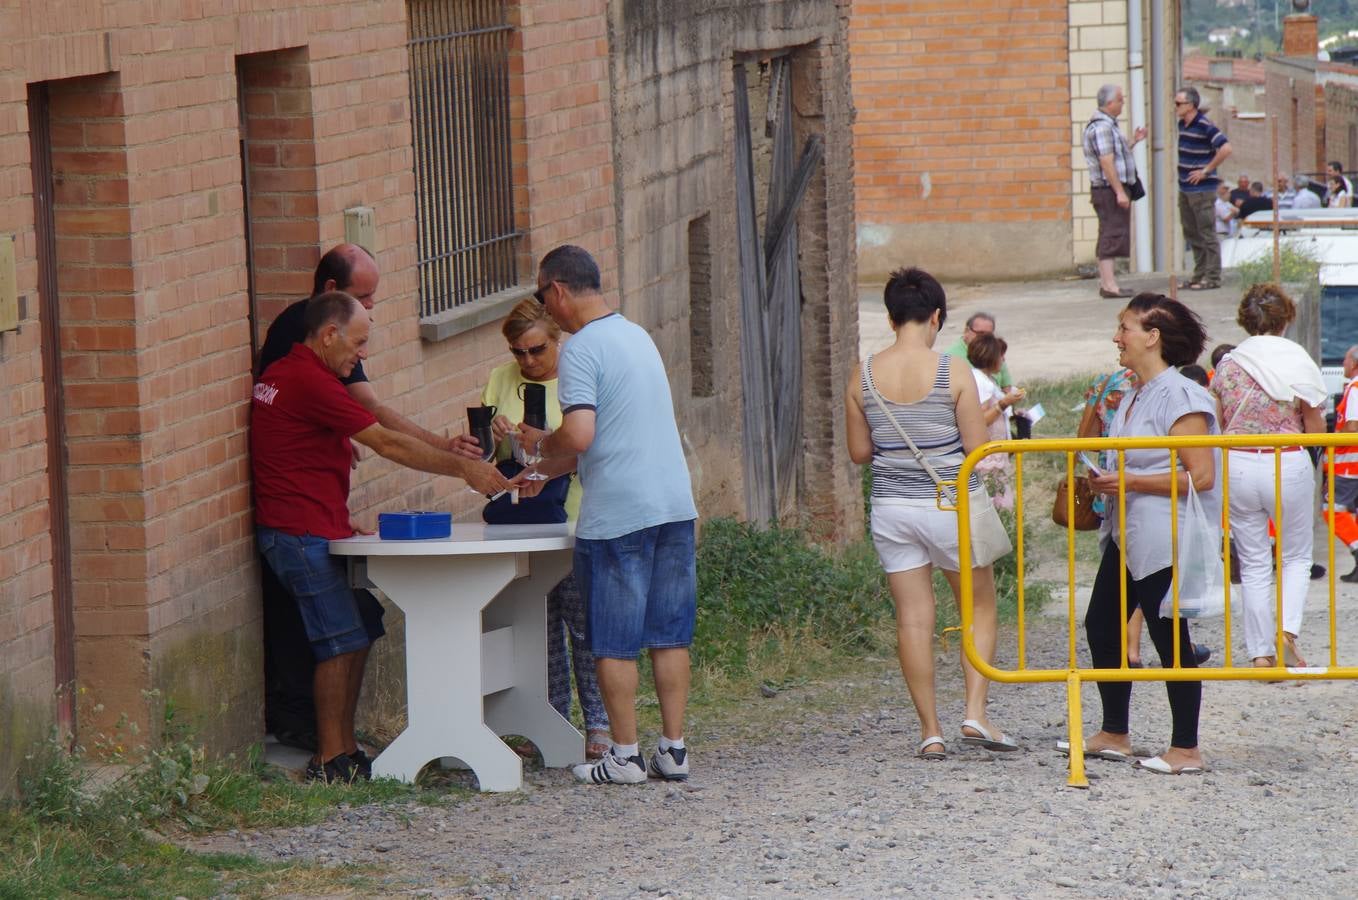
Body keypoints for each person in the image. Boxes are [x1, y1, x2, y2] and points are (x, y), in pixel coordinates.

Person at [252, 292, 512, 782]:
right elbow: (386, 441)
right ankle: (331, 761)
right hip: (297, 533)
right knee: (339, 640)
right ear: (328, 335)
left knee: (364, 622)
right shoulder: (309, 380)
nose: (362, 354)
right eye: (358, 342)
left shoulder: (292, 374)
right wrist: (463, 469)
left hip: (312, 526)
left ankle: (345, 749)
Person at [515, 245, 699, 786]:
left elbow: (580, 434)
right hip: (672, 505)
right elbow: (612, 435)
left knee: (612, 641)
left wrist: (539, 443)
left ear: (558, 291)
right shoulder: (636, 336)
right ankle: (673, 748)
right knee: (669, 634)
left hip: (619, 513)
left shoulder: (581, 348)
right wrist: (547, 470)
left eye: (542, 296)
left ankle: (623, 754)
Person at [845, 267, 1016, 762]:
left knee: (913, 620)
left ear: (891, 316)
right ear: (936, 316)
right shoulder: (952, 370)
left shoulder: (863, 375)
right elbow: (976, 449)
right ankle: (975, 713)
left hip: (892, 509)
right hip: (947, 505)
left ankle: (930, 732)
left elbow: (859, 452)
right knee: (978, 606)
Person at [1078, 292, 1216, 774]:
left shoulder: (1181, 395)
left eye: (1125, 328)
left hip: (1163, 535)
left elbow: (1200, 475)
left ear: (1152, 337)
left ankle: (1186, 748)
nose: (1117, 337)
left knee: (1168, 633)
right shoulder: (1136, 393)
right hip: (1128, 532)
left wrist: (1131, 481)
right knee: (1101, 622)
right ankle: (1115, 730)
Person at [480, 298, 610, 760]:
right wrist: (491, 440)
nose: (528, 361)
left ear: (557, 339)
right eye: (518, 352)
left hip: (575, 518)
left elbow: (591, 445)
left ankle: (599, 724)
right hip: (521, 522)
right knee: (537, 623)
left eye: (537, 350)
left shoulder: (577, 375)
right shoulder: (501, 379)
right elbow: (485, 461)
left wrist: (545, 457)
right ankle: (552, 721)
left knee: (581, 620)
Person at [1210, 284, 1326, 668]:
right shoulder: (1297, 359)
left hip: (1239, 463)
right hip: (1287, 460)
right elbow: (1314, 425)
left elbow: (1219, 419)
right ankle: (1287, 631)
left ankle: (1260, 653)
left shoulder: (1229, 363)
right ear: (1286, 318)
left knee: (1254, 560)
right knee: (1295, 555)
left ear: (1246, 319)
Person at [1082, 84, 1147, 299]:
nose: (1123, 102)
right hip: (1108, 190)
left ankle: (1108, 283)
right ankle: (1109, 285)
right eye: (1120, 99)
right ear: (1110, 103)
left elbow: (1115, 154)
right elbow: (1106, 161)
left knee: (1108, 233)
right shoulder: (1102, 127)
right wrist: (1119, 191)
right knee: (1111, 234)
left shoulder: (1108, 125)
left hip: (1108, 189)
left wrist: (1134, 141)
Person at [1174, 87, 1232, 290]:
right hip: (1185, 188)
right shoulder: (1183, 124)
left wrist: (1206, 170)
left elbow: (1225, 148)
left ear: (1191, 105)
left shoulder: (1204, 124)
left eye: (1179, 103)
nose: (1176, 107)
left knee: (1207, 232)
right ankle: (1199, 274)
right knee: (1191, 232)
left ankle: (1213, 276)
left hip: (1201, 190)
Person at [967, 333, 1022, 509]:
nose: (1003, 360)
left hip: (995, 455)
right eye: (1001, 355)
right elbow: (980, 419)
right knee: (996, 503)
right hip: (987, 459)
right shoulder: (980, 382)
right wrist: (1004, 403)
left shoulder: (987, 380)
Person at [1323, 345, 1358, 583]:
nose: (1343, 364)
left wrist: (1334, 434)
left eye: (1345, 360)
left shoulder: (1355, 388)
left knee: (1331, 511)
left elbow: (1352, 425)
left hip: (1348, 465)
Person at [943, 312, 1014, 389]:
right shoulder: (950, 357)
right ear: (966, 331)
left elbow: (1007, 386)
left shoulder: (995, 352)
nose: (984, 338)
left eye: (988, 335)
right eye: (980, 333)